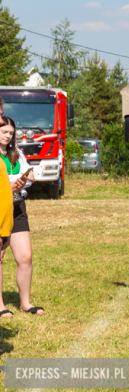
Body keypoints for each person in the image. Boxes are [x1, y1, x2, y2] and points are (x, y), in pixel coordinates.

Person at [0, 116, 42, 316]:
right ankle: (0, 306)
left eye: (10, 133)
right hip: (0, 208)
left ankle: (25, 303)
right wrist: (9, 186)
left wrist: (23, 181)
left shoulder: (16, 154)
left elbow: (31, 175)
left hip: (17, 208)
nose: (7, 136)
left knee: (25, 256)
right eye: (3, 131)